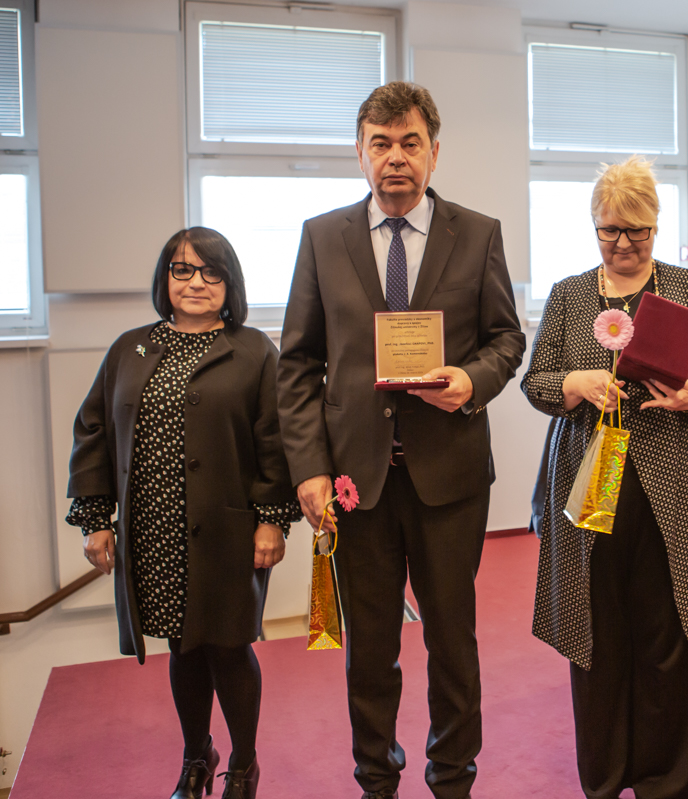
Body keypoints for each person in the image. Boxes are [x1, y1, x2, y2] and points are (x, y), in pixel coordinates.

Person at [276, 81, 525, 799]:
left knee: (452, 640)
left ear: (434, 153)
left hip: (449, 476)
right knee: (371, 647)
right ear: (359, 153)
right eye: (380, 144)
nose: (395, 158)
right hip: (356, 481)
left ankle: (453, 779)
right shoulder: (322, 237)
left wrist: (471, 380)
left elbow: (507, 338)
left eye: (410, 143)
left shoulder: (477, 233)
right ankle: (376, 779)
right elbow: (299, 363)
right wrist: (309, 471)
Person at [522, 156, 688, 799]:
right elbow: (536, 383)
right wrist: (574, 382)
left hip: (680, 484)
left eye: (636, 231)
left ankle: (670, 781)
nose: (622, 244)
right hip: (594, 483)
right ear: (594, 225)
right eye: (609, 230)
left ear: (656, 225)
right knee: (599, 631)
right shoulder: (569, 295)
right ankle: (607, 775)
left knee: (673, 631)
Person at [66, 227, 300, 799]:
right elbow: (93, 432)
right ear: (165, 278)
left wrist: (273, 518)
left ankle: (242, 765)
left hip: (228, 530)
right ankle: (197, 758)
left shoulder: (254, 351)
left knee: (229, 645)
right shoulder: (129, 348)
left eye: (211, 271)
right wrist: (96, 519)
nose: (196, 282)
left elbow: (276, 441)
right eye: (182, 269)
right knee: (181, 644)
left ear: (229, 282)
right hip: (154, 529)